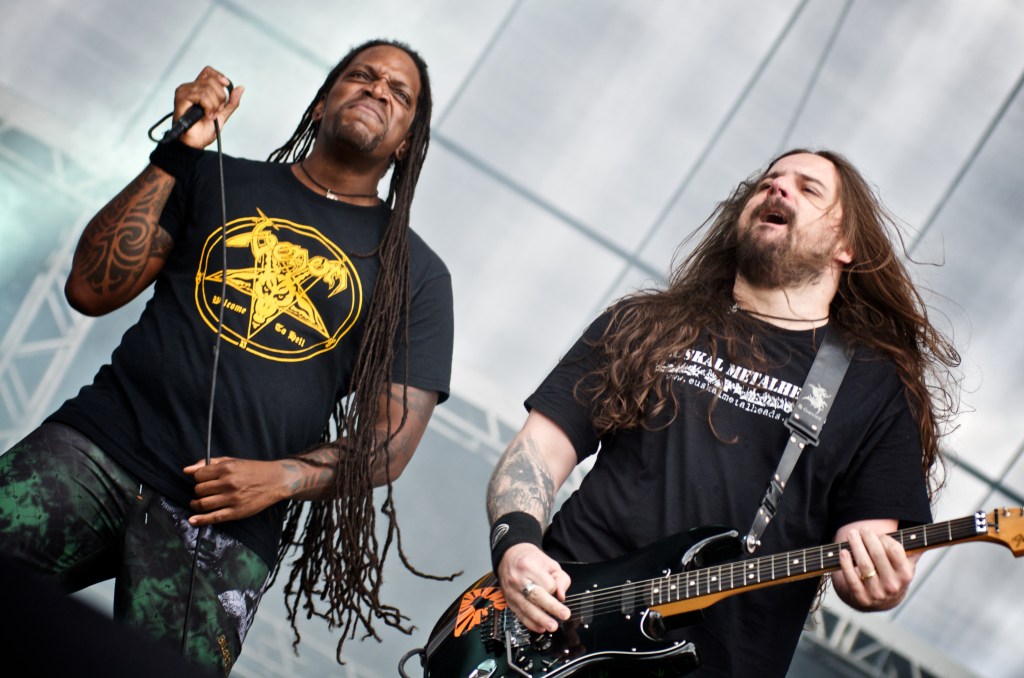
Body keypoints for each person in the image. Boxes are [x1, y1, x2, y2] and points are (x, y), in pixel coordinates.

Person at [0, 38, 453, 674]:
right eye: (362, 75)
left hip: (225, 522)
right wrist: (178, 148)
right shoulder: (216, 177)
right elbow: (90, 288)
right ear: (321, 103)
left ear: (407, 142)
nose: (377, 89)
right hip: (98, 447)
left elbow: (390, 443)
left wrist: (282, 479)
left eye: (399, 93)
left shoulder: (417, 274)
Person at [485, 150, 960, 677]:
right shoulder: (645, 322)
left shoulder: (873, 388)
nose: (778, 188)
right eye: (769, 181)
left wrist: (874, 580)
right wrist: (516, 547)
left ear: (845, 245)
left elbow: (870, 547)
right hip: (550, 635)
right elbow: (538, 450)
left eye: (808, 189)